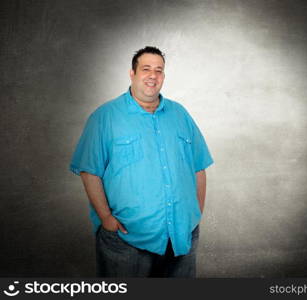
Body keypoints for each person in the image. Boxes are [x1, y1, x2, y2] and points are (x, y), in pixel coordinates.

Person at [70, 46, 213, 277]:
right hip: (127, 239)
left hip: (181, 235)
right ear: (132, 73)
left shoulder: (180, 115)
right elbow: (89, 171)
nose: (153, 75)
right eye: (146, 69)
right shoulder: (105, 116)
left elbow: (199, 167)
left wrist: (195, 215)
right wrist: (106, 218)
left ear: (163, 76)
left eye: (159, 70)